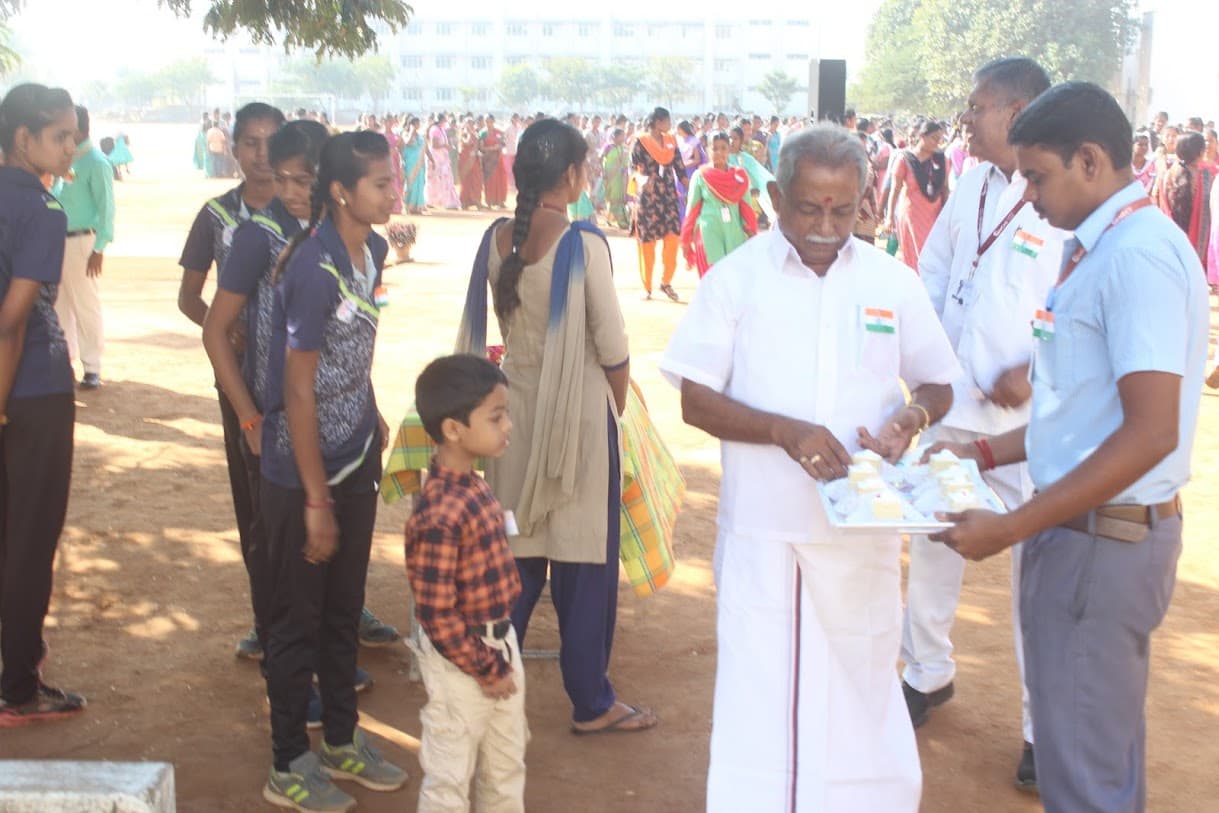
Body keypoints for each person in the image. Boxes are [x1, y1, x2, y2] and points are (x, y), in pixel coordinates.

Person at [661, 125, 961, 812]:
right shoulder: (736, 279)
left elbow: (939, 383)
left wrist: (907, 419)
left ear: (863, 202)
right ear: (774, 196)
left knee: (860, 686)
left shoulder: (891, 280)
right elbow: (694, 399)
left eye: (843, 209)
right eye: (807, 208)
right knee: (760, 702)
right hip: (767, 534)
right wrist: (779, 429)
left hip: (861, 536)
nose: (826, 227)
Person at [931, 81, 1207, 813]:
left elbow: (1150, 432)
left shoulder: (1135, 258)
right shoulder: (1099, 247)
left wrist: (1010, 526)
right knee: (1087, 755)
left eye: (1036, 175)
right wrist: (984, 457)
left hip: (1098, 544)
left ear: (1089, 160)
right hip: (1081, 535)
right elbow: (1079, 413)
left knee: (1084, 778)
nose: (1026, 195)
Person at [460, 118, 658, 737]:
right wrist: (615, 408)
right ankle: (590, 700)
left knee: (513, 559)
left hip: (508, 421)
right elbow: (614, 347)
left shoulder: (495, 238)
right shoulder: (583, 244)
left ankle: (485, 694)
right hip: (575, 423)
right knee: (583, 563)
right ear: (571, 175)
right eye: (586, 165)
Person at [910, 56, 1060, 789]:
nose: (965, 118)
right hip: (955, 403)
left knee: (1035, 574)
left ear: (1018, 108)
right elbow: (936, 269)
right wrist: (930, 359)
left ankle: (1042, 728)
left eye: (977, 106)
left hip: (1028, 422)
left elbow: (1072, 304)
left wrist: (1033, 371)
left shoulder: (1059, 193)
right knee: (933, 533)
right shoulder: (971, 182)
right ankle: (925, 672)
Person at [259, 131, 408, 809]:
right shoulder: (312, 270)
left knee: (344, 607)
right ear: (342, 191)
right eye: (380, 182)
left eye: (393, 178)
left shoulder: (371, 249)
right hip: (303, 469)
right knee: (297, 616)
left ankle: (343, 739)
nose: (392, 191)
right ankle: (288, 758)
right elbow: (296, 391)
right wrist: (315, 498)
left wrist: (368, 407)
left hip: (353, 453)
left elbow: (359, 344)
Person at [0, 83, 88, 728]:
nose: (71, 145)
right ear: (23, 140)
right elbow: (14, 320)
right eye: (59, 135)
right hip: (29, 394)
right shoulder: (43, 210)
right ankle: (18, 685)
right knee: (30, 540)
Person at [405, 355, 527, 813]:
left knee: (506, 766)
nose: (507, 426)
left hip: (501, 645)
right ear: (454, 430)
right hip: (464, 666)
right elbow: (436, 613)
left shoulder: (474, 487)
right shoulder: (439, 513)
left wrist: (501, 660)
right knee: (449, 780)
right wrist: (486, 666)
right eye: (496, 417)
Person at [52, 105, 114, 390]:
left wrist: (99, 247)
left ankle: (92, 366)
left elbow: (106, 208)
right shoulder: (62, 159)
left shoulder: (95, 161)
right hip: (56, 240)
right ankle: (66, 363)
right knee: (60, 304)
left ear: (77, 128)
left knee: (85, 305)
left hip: (82, 241)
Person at [680, 131, 757, 277]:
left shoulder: (739, 176)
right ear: (708, 149)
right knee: (713, 281)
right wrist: (685, 240)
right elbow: (692, 211)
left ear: (729, 150)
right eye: (714, 148)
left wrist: (752, 233)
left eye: (723, 148)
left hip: (734, 234)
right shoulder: (700, 176)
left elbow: (746, 209)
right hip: (709, 234)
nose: (719, 152)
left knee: (733, 282)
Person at [633, 107, 686, 301]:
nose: (670, 125)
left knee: (673, 237)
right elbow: (632, 169)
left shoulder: (672, 142)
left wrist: (692, 189)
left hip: (669, 196)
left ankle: (666, 282)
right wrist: (642, 180)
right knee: (647, 242)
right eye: (667, 121)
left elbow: (680, 169)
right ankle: (647, 286)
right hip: (648, 198)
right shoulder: (641, 142)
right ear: (657, 122)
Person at [883, 119, 949, 271]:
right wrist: (889, 218)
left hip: (934, 216)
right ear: (923, 137)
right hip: (911, 216)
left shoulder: (942, 160)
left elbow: (945, 188)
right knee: (914, 257)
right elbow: (895, 189)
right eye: (934, 138)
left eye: (940, 139)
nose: (937, 142)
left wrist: (946, 213)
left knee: (932, 256)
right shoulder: (905, 159)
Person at [1156, 130, 1212, 263]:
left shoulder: (1168, 174)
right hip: (1197, 246)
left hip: (1170, 242)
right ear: (1200, 152)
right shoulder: (1206, 177)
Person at [426, 113, 460, 210]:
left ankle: (446, 201)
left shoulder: (441, 129)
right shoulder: (435, 130)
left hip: (443, 158)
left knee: (445, 179)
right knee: (438, 179)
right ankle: (435, 201)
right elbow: (434, 145)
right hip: (437, 158)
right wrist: (445, 146)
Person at [601, 128, 631, 230]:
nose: (623, 137)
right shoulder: (608, 147)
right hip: (610, 177)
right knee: (611, 199)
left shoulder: (624, 148)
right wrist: (602, 171)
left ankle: (621, 220)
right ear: (615, 136)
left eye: (624, 135)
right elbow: (600, 158)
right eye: (621, 135)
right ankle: (610, 218)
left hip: (622, 177)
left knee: (620, 199)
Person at [480, 115, 509, 209]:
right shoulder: (483, 133)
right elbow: (480, 147)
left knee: (501, 178)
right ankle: (489, 201)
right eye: (486, 122)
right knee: (489, 179)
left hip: (498, 159)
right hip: (488, 160)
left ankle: (500, 200)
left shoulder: (499, 132)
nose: (488, 124)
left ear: (493, 121)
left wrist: (499, 146)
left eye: (490, 121)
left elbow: (503, 143)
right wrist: (491, 148)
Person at [401, 116, 427, 215]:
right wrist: (411, 131)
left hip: (420, 163)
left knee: (420, 184)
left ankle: (418, 207)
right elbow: (407, 142)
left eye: (418, 124)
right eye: (415, 124)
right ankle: (409, 207)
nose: (417, 126)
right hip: (410, 163)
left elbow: (424, 148)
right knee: (411, 184)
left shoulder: (420, 136)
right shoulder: (406, 133)